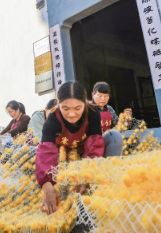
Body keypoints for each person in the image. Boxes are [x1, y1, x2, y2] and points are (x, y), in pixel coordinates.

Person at [36, 81, 123, 215]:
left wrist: (86, 173)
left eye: (78, 108)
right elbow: (46, 153)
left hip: (85, 157)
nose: (72, 114)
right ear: (58, 105)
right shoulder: (53, 120)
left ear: (85, 103)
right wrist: (47, 185)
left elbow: (95, 145)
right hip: (64, 161)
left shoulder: (92, 112)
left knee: (114, 136)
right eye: (65, 109)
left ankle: (104, 184)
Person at [90, 81, 124, 155]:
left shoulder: (110, 109)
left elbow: (117, 126)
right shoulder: (88, 108)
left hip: (106, 141)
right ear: (93, 95)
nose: (103, 99)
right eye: (100, 96)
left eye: (106, 96)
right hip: (92, 143)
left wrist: (125, 118)